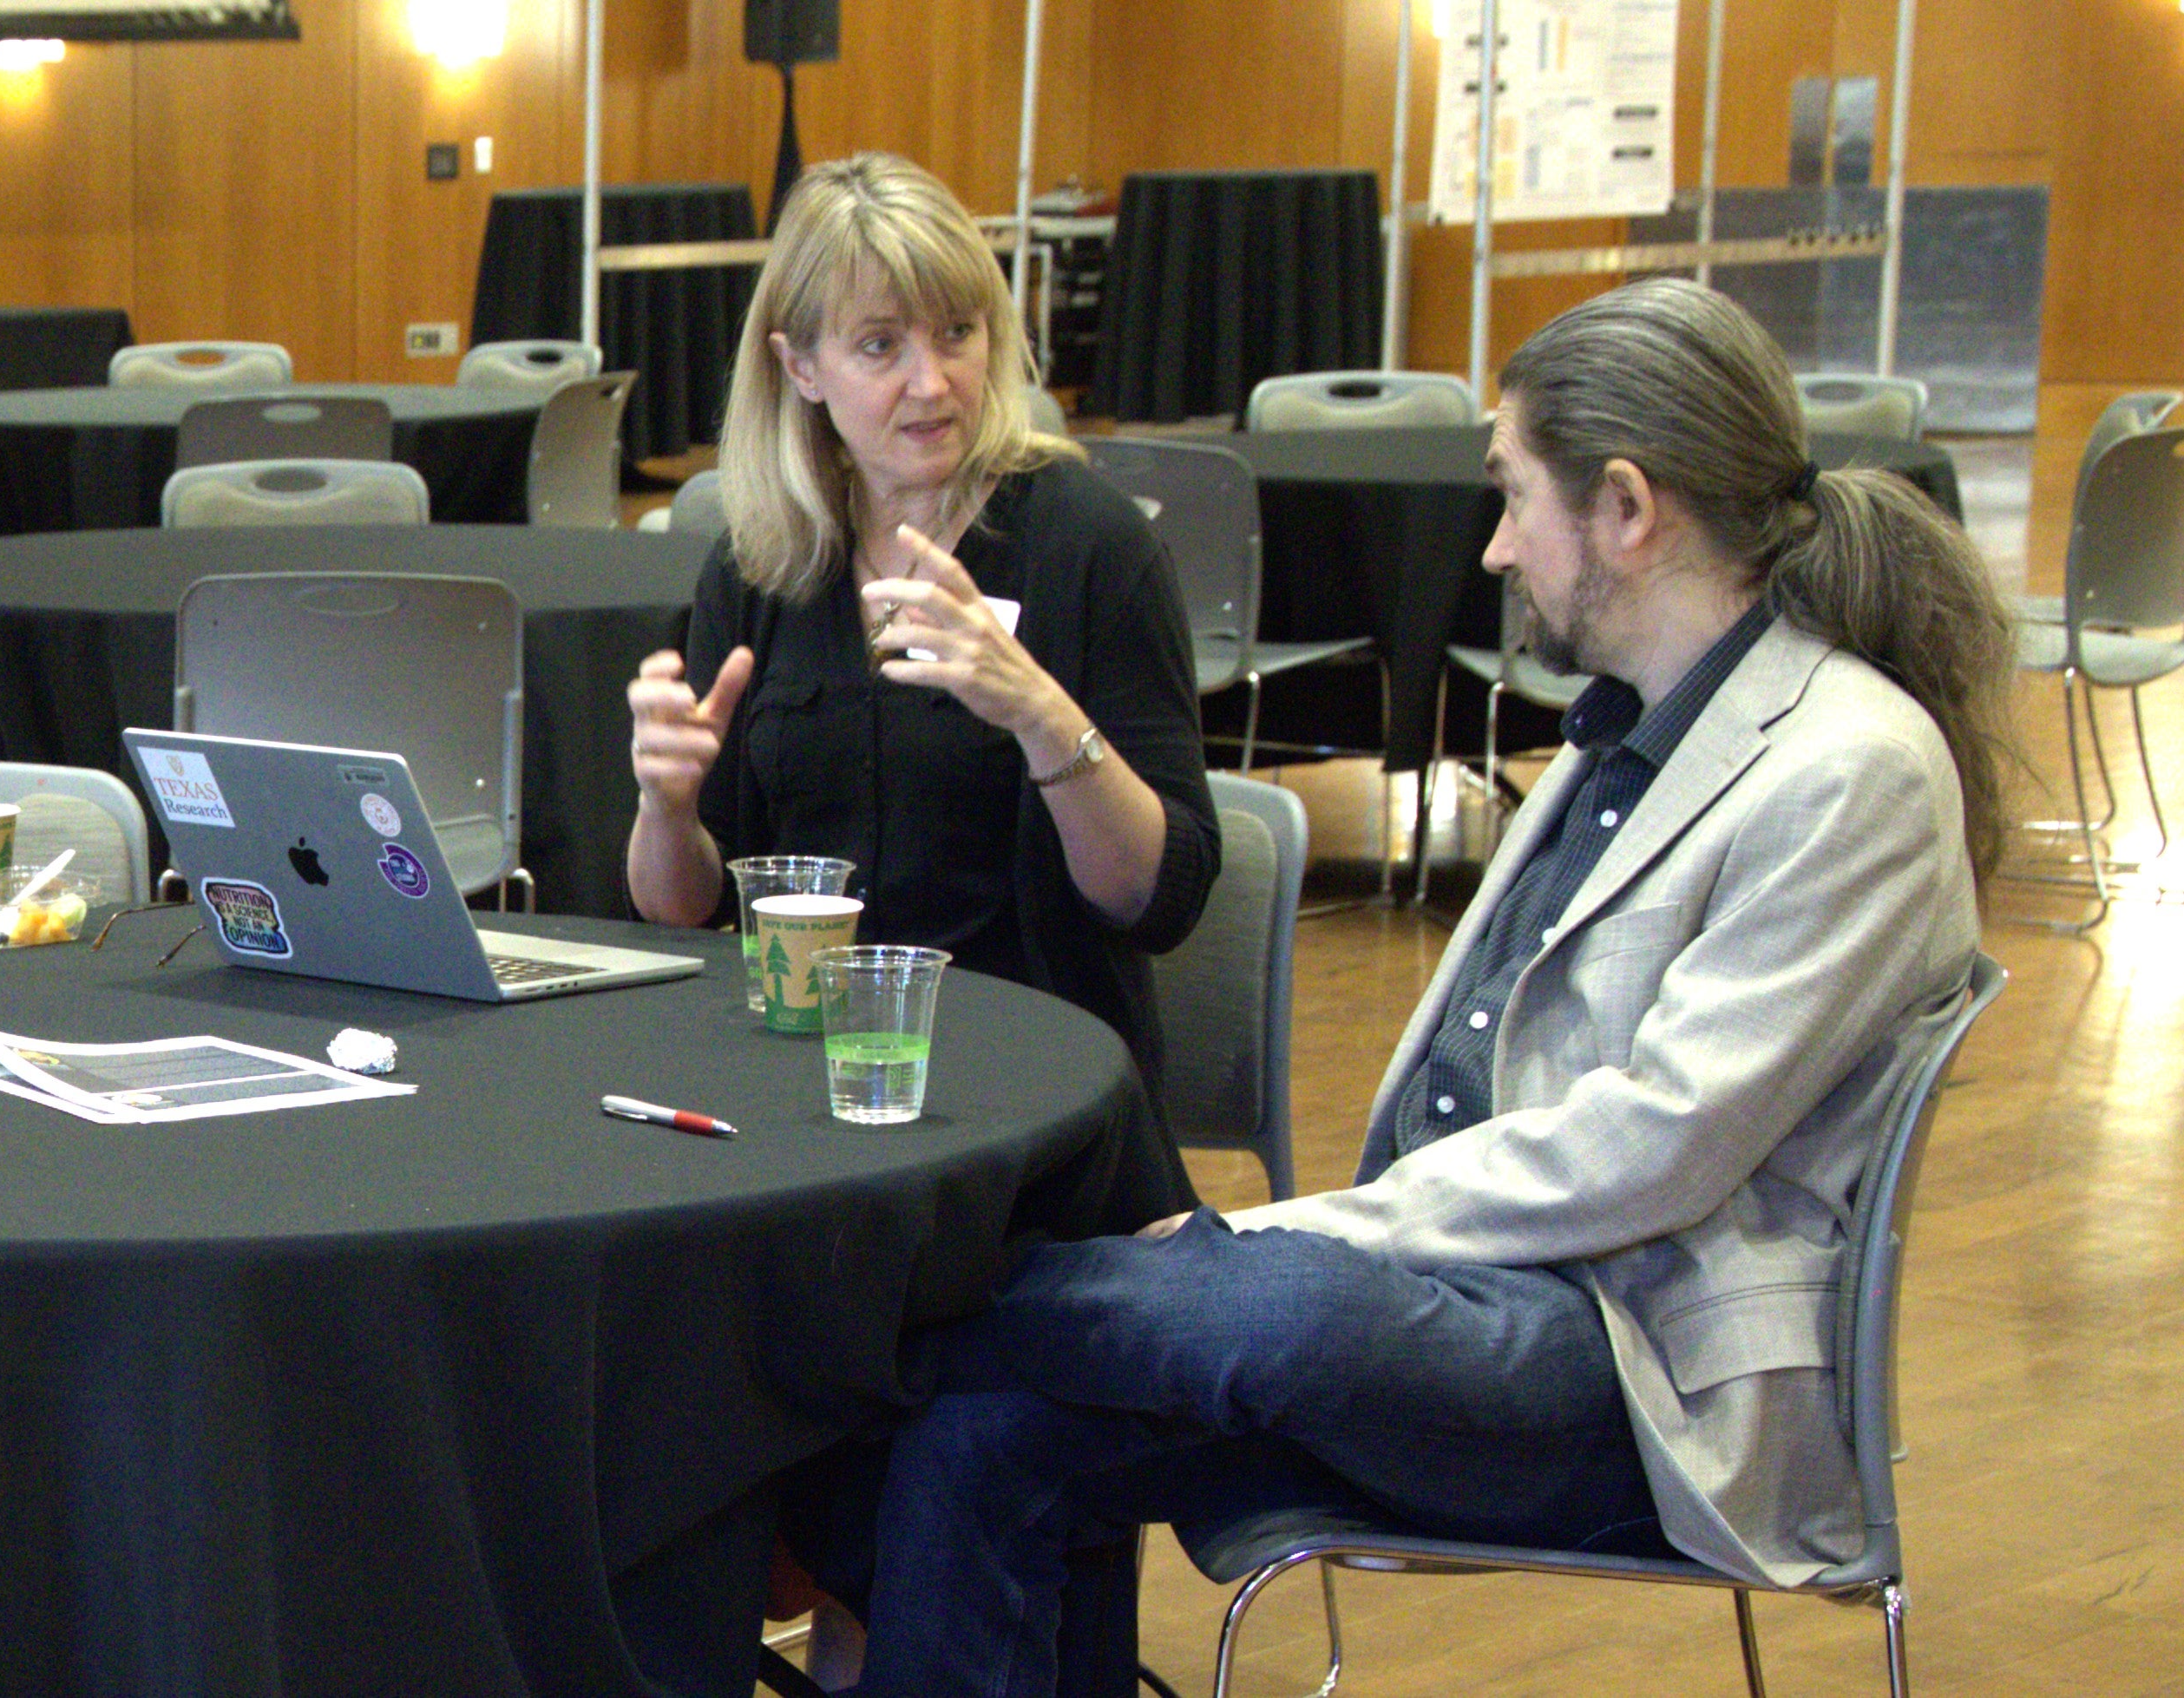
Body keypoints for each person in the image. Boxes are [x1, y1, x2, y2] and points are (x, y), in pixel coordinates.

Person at [781, 276, 2017, 1696]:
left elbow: (1657, 1148)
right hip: (1474, 1301)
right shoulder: (1633, 733)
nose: (1490, 550)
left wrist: (1308, 1237)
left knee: (1265, 1311)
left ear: (1625, 508)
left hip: (1642, 1370)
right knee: (981, 1433)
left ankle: (862, 1341)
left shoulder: (1845, 767)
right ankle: (905, 1355)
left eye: (1510, 499)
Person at [626, 154, 1217, 1185]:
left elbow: (1154, 899)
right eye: (879, 346)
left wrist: (1035, 708)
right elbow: (683, 909)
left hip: (1038, 1112)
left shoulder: (1088, 546)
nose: (931, 382)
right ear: (800, 368)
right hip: (797, 1116)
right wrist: (665, 809)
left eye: (957, 333)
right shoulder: (760, 564)